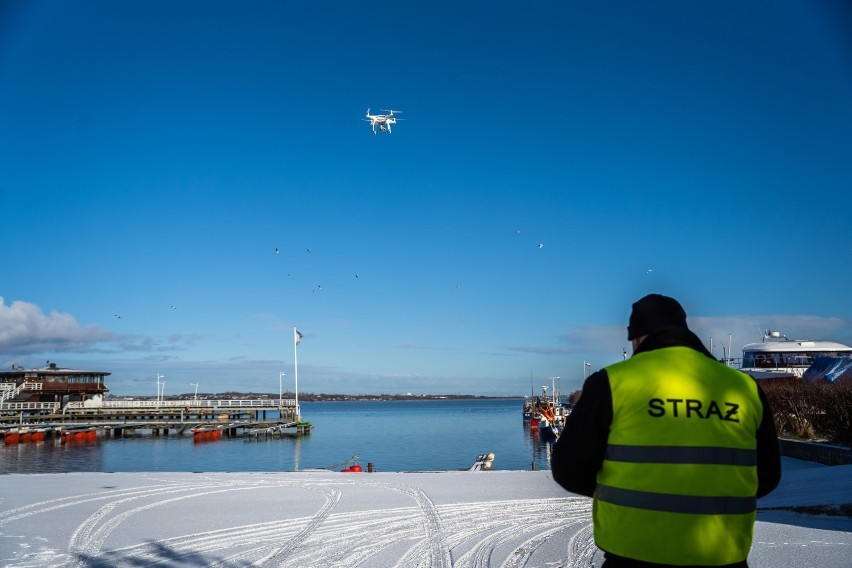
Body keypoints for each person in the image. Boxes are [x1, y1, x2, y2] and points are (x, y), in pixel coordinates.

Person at [551, 294, 781, 567]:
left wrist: (626, 492)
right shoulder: (744, 387)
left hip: (632, 555)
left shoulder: (612, 383)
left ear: (636, 338)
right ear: (684, 330)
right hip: (723, 555)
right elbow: (767, 476)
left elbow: (569, 469)